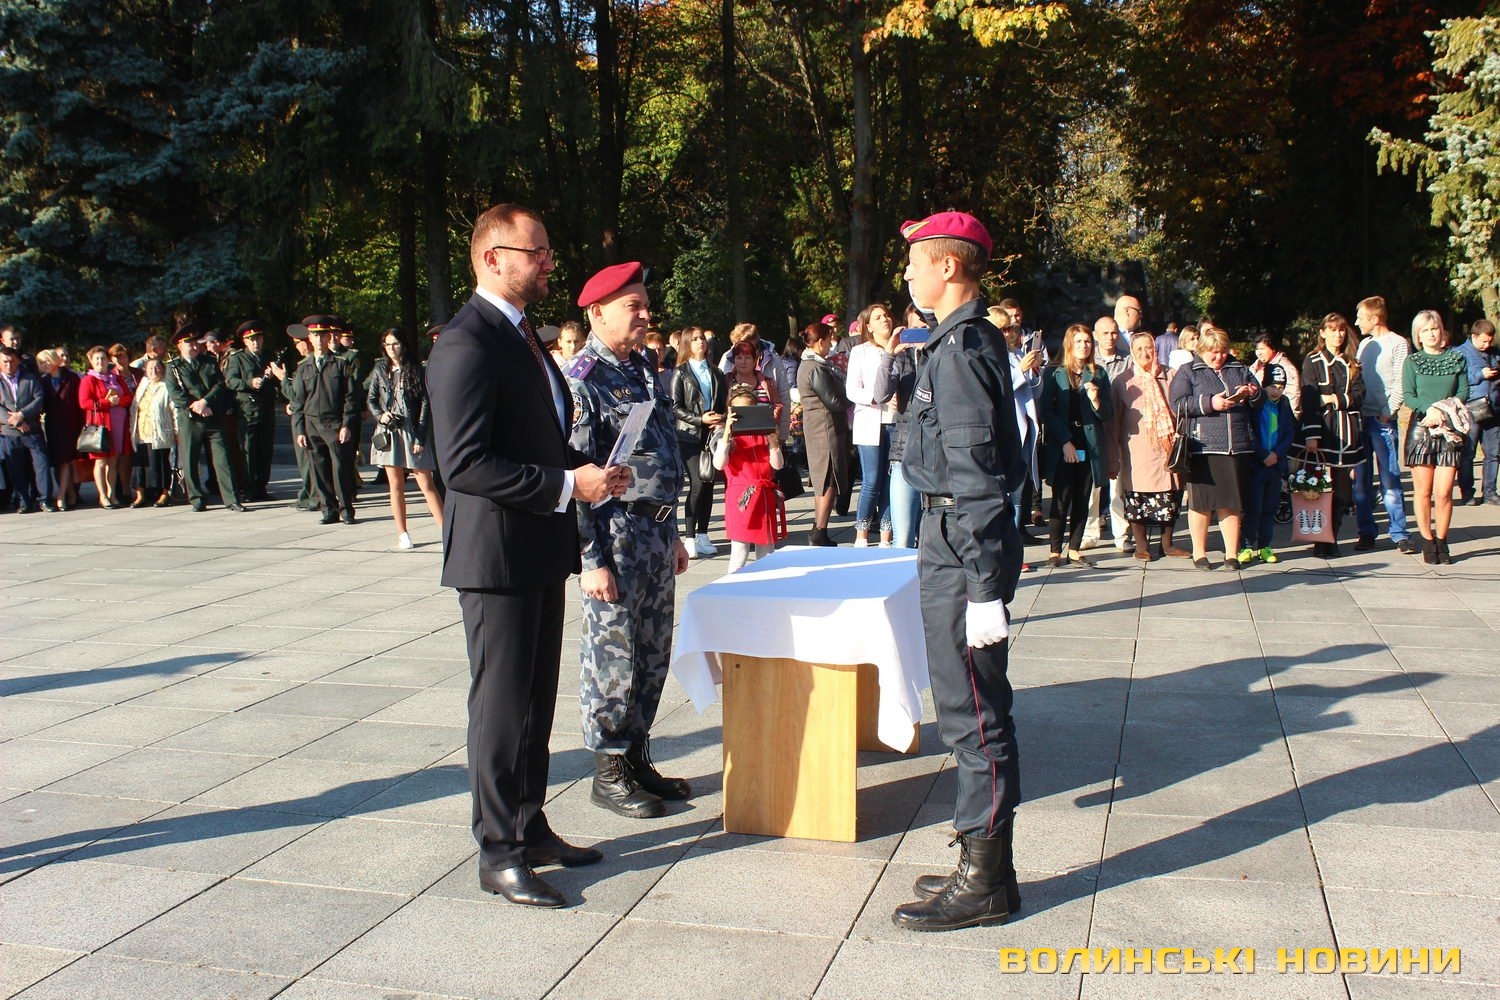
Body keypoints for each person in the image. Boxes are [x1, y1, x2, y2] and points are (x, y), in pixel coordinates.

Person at [426, 203, 624, 909]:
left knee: (536, 703)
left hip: (537, 543)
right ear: (492, 258)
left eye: (546, 251)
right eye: (534, 252)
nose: (547, 263)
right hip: (496, 556)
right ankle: (499, 851)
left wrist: (587, 469)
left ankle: (529, 826)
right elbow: (464, 463)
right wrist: (568, 485)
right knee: (502, 707)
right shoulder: (466, 342)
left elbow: (535, 439)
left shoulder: (522, 337)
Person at [892, 211, 1025, 933]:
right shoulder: (959, 341)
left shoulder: (961, 348)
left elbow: (978, 473)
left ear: (947, 267)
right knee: (964, 705)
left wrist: (983, 588)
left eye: (916, 262)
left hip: (960, 539)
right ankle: (984, 864)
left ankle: (986, 880)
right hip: (949, 532)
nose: (908, 274)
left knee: (974, 713)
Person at [565, 261, 692, 821]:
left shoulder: (642, 368)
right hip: (614, 537)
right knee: (613, 658)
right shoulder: (583, 379)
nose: (644, 314)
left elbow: (659, 453)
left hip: (655, 532)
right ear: (597, 313)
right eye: (632, 306)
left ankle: (638, 756)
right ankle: (609, 771)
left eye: (644, 304)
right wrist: (590, 558)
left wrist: (674, 532)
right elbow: (576, 476)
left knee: (651, 653)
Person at [1168, 325, 1261, 570]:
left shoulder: (1240, 369)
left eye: (1223, 351)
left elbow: (1259, 398)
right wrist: (1210, 403)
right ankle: (1199, 553)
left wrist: (1251, 392)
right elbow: (1177, 403)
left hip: (1236, 446)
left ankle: (1231, 554)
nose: (1219, 356)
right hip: (1204, 446)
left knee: (1231, 502)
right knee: (1202, 503)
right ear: (1202, 349)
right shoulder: (1189, 371)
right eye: (1213, 352)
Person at [1107, 331, 1189, 561]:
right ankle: (1141, 546)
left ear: (1156, 349)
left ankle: (1167, 544)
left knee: (1170, 496)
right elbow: (1113, 423)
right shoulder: (1123, 381)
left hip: (1167, 448)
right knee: (1137, 498)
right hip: (1136, 450)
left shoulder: (1170, 375)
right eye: (1139, 349)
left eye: (1149, 348)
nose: (1145, 353)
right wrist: (1112, 457)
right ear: (1132, 352)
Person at [1039, 324, 1113, 568]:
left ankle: (1074, 549)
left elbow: (1108, 413)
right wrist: (1065, 441)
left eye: (1088, 341)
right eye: (1079, 341)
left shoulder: (1099, 374)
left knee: (1083, 498)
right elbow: (1046, 411)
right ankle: (1054, 551)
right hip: (1062, 442)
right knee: (1061, 498)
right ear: (1069, 344)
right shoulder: (1054, 373)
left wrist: (1096, 401)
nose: (1084, 345)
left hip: (1088, 444)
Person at [1402, 310, 1469, 564]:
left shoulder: (1456, 358)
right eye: (1425, 330)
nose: (1431, 334)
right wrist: (1429, 410)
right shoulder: (1413, 361)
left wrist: (1442, 409)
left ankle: (1442, 539)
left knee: (1444, 492)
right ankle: (1427, 541)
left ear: (1442, 331)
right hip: (1422, 428)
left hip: (1449, 428)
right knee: (1423, 491)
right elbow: (1409, 395)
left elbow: (1463, 391)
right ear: (1418, 335)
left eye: (1435, 328)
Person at [367, 327, 444, 549]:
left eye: (396, 344)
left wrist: (420, 437)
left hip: (412, 430)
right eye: (388, 344)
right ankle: (402, 533)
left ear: (403, 345)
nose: (392, 349)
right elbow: (371, 399)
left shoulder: (416, 369)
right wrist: (380, 415)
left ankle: (445, 530)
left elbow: (425, 404)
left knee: (426, 483)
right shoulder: (380, 369)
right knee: (395, 484)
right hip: (389, 431)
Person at [1297, 313, 1365, 557]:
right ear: (1323, 333)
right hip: (1323, 430)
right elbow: (1310, 398)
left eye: (1342, 330)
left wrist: (1334, 399)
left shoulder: (1352, 362)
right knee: (1319, 487)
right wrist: (1311, 435)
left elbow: (1359, 394)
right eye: (1333, 330)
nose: (1338, 334)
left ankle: (1333, 535)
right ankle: (1320, 540)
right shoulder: (1313, 360)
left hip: (1347, 432)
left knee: (1343, 490)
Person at [1353, 295, 1414, 551]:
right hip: (1360, 419)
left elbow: (1401, 380)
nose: (1357, 322)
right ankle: (1366, 531)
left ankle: (1399, 532)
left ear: (1375, 318)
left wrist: (1387, 414)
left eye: (1361, 318)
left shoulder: (1398, 343)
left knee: (1390, 477)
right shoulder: (1364, 345)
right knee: (1361, 481)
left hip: (1382, 421)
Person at [165, 325, 244, 513]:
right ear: (180, 346)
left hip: (212, 415)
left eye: (195, 343)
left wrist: (205, 402)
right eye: (189, 344)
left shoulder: (209, 361)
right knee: (190, 459)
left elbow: (219, 384)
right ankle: (197, 499)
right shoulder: (173, 366)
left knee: (223, 459)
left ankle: (231, 499)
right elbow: (175, 393)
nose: (194, 347)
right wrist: (196, 406)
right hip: (190, 419)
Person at [288, 317, 358, 525]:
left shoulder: (341, 364)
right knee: (319, 470)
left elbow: (351, 398)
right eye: (315, 336)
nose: (319, 340)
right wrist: (300, 429)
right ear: (309, 339)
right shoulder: (303, 367)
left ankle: (346, 510)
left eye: (322, 335)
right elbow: (298, 402)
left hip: (334, 423)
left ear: (329, 337)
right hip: (311, 424)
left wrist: (346, 424)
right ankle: (328, 510)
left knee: (340, 468)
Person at [714, 382, 788, 571]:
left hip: (764, 495)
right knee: (739, 550)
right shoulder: (726, 436)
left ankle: (764, 584)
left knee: (767, 550)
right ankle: (733, 585)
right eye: (738, 411)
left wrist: (774, 443)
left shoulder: (763, 433)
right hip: (740, 497)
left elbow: (777, 465)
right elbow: (719, 464)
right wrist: (726, 434)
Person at [669, 327, 727, 558]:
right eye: (694, 339)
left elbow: (723, 403)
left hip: (711, 434)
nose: (700, 342)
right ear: (687, 344)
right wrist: (699, 419)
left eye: (702, 338)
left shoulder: (716, 372)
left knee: (709, 482)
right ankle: (690, 537)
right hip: (689, 435)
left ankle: (703, 534)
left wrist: (720, 419)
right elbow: (675, 406)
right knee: (697, 483)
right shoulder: (681, 373)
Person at [846, 303, 899, 547]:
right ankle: (862, 534)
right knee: (872, 480)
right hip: (870, 420)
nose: (885, 320)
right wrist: (877, 397)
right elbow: (852, 390)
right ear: (868, 326)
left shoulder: (902, 349)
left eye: (886, 315)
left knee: (891, 482)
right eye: (878, 317)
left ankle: (886, 536)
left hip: (896, 422)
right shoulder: (861, 352)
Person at [795, 321, 850, 546]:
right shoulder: (816, 367)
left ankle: (819, 527)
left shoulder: (809, 364)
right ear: (819, 342)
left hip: (819, 427)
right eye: (828, 340)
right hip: (825, 429)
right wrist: (854, 396)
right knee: (828, 479)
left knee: (823, 479)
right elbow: (833, 402)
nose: (830, 345)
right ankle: (820, 529)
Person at [1083, 316, 1131, 553]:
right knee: (1092, 488)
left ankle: (1121, 535)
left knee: (1117, 488)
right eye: (1105, 333)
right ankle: (1090, 533)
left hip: (1118, 428)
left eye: (1114, 333)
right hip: (1094, 430)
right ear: (1095, 335)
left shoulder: (1128, 360)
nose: (1111, 338)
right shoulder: (1089, 362)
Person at [1243, 363, 1295, 564]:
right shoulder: (1256, 403)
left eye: (1281, 387)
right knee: (1253, 506)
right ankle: (1246, 544)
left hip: (1275, 463)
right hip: (1256, 463)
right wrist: (1262, 454)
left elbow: (1289, 432)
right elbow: (1248, 430)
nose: (1276, 391)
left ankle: (1264, 545)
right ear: (1264, 385)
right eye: (1272, 386)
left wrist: (1277, 453)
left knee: (1270, 506)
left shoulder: (1284, 403)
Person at [223, 321, 280, 501]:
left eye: (258, 339)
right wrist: (249, 383)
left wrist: (274, 376)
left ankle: (261, 487)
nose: (256, 343)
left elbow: (280, 380)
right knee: (248, 450)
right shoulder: (238, 358)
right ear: (245, 341)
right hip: (247, 410)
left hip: (266, 408)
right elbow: (230, 381)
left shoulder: (270, 356)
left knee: (265, 450)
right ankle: (248, 488)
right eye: (252, 340)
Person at [78, 344, 134, 508]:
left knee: (113, 462)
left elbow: (128, 397)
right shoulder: (89, 380)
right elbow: (84, 403)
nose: (100, 361)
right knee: (101, 462)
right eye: (97, 359)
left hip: (118, 425)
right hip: (101, 426)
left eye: (103, 358)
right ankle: (102, 496)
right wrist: (106, 402)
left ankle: (112, 495)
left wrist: (118, 401)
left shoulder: (115, 377)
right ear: (91, 361)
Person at [0, 346, 55, 512]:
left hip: (32, 429)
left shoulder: (30, 378)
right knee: (16, 468)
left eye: (12, 361)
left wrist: (22, 414)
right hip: (10, 432)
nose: (8, 365)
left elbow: (39, 399)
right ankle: (23, 501)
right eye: (4, 362)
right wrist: (15, 421)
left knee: (41, 465)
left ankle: (45, 499)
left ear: (18, 361)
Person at [269, 329, 316, 510]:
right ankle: (309, 494)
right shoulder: (307, 364)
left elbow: (296, 395)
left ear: (307, 342)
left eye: (298, 343)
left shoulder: (306, 365)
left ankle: (312, 496)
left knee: (307, 460)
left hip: (305, 418)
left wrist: (282, 379)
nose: (297, 347)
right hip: (305, 415)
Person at [1456, 318, 1499, 506]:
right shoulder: (1460, 353)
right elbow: (1458, 379)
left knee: (1493, 454)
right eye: (1483, 341)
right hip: (1471, 409)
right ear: (1473, 336)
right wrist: (1481, 374)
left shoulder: (1495, 353)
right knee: (1468, 454)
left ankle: (1490, 492)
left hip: (1494, 409)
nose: (1486, 345)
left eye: (1489, 341)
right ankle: (1467, 493)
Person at [37, 348, 82, 509]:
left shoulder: (71, 377)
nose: (44, 365)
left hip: (70, 425)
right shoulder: (43, 381)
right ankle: (70, 494)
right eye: (41, 363)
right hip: (53, 427)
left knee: (66, 460)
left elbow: (78, 402)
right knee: (59, 461)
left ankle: (62, 496)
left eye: (46, 361)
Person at [129, 358, 175, 507]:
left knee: (160, 464)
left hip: (159, 432)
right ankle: (140, 495)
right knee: (140, 466)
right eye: (150, 368)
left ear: (163, 369)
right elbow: (134, 409)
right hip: (141, 432)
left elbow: (174, 410)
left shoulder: (167, 386)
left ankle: (164, 494)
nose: (154, 371)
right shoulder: (143, 386)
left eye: (157, 368)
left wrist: (177, 432)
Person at [1250, 333, 1303, 418]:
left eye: (1262, 349)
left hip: (1279, 416)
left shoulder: (1286, 367)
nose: (1259, 353)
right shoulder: (1255, 366)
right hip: (1260, 415)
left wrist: (1289, 418)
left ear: (1273, 349)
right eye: (1257, 349)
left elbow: (1293, 395)